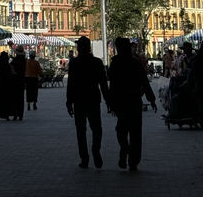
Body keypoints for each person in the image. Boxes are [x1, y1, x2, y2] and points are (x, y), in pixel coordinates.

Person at [108, 37, 157, 171]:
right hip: (133, 102)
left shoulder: (117, 63)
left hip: (123, 102)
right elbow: (144, 83)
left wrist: (111, 102)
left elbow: (112, 85)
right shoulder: (133, 63)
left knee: (122, 130)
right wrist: (151, 99)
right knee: (134, 132)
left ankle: (126, 152)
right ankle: (132, 159)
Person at [66, 36, 110, 169]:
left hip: (79, 100)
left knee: (81, 130)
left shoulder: (74, 63)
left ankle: (84, 158)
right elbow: (103, 84)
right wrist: (108, 100)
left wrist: (69, 101)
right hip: (93, 100)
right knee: (97, 128)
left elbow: (70, 84)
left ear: (80, 47)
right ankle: (95, 150)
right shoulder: (97, 62)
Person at [11, 46, 27, 120]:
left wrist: (14, 73)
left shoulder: (15, 60)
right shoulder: (24, 60)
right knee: (21, 98)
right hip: (22, 79)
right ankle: (21, 114)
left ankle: (15, 114)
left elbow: (11, 67)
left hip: (15, 80)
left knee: (14, 97)